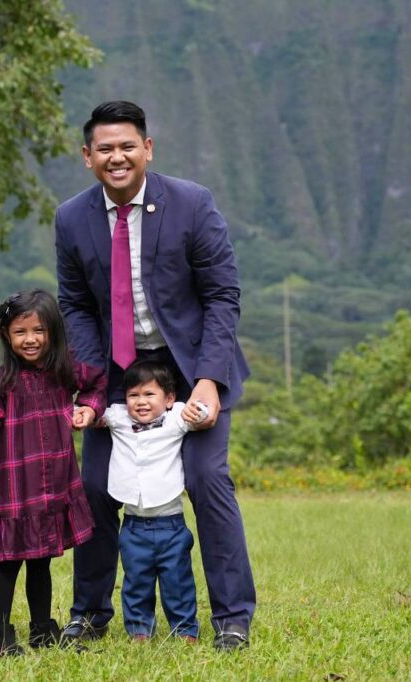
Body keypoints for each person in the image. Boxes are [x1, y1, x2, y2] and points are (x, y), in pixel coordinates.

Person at [54, 100, 257, 651]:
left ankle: (233, 617)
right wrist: (92, 387)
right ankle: (90, 613)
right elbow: (74, 305)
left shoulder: (191, 203)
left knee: (206, 479)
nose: (116, 157)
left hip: (190, 367)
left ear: (148, 149)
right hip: (116, 370)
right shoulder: (72, 217)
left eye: (127, 146)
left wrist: (210, 380)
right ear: (87, 157)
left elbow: (222, 295)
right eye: (104, 149)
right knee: (94, 485)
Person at [0, 289, 106, 657]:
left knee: (42, 561)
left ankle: (42, 628)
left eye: (38, 330)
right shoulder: (1, 382)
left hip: (55, 486)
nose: (30, 339)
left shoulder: (64, 372)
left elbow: (97, 383)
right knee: (9, 562)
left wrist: (89, 410)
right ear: (6, 336)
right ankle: (0, 635)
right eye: (20, 332)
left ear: (53, 333)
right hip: (17, 489)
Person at [102, 360, 205, 641]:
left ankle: (184, 630)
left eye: (150, 394)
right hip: (133, 525)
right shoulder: (120, 418)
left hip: (171, 524)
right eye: (133, 395)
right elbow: (94, 413)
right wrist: (81, 414)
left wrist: (202, 410)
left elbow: (203, 413)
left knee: (178, 581)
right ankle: (138, 630)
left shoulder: (177, 417)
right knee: (136, 581)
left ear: (169, 398)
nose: (141, 402)